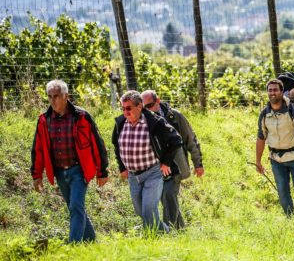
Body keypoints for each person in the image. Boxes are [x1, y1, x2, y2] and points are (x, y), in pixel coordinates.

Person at [30, 80, 109, 243]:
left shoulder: (81, 116)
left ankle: (73, 245)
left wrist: (102, 171)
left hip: (79, 170)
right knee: (75, 207)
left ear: (67, 96)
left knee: (75, 206)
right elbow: (37, 149)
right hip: (59, 172)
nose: (53, 100)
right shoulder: (44, 120)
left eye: (57, 96)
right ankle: (90, 240)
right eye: (50, 97)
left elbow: (97, 143)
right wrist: (36, 175)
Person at [112, 90, 183, 232]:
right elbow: (116, 145)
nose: (125, 112)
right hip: (133, 175)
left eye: (128, 108)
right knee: (141, 211)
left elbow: (176, 140)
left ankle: (154, 239)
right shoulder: (120, 123)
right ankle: (165, 232)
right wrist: (122, 167)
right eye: (123, 108)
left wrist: (166, 162)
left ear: (139, 106)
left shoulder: (154, 122)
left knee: (149, 209)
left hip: (153, 172)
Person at [141, 90, 204, 230]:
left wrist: (198, 163)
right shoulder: (143, 120)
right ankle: (180, 229)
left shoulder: (174, 116)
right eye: (144, 107)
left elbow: (190, 139)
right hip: (156, 168)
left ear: (158, 101)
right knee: (167, 199)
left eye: (150, 105)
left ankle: (169, 230)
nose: (147, 110)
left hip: (176, 166)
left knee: (168, 193)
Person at [255, 79, 294, 216]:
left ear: (282, 92)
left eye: (275, 90)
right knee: (282, 192)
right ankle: (291, 220)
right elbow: (261, 138)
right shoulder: (264, 114)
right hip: (276, 160)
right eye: (270, 90)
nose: (272, 93)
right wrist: (258, 161)